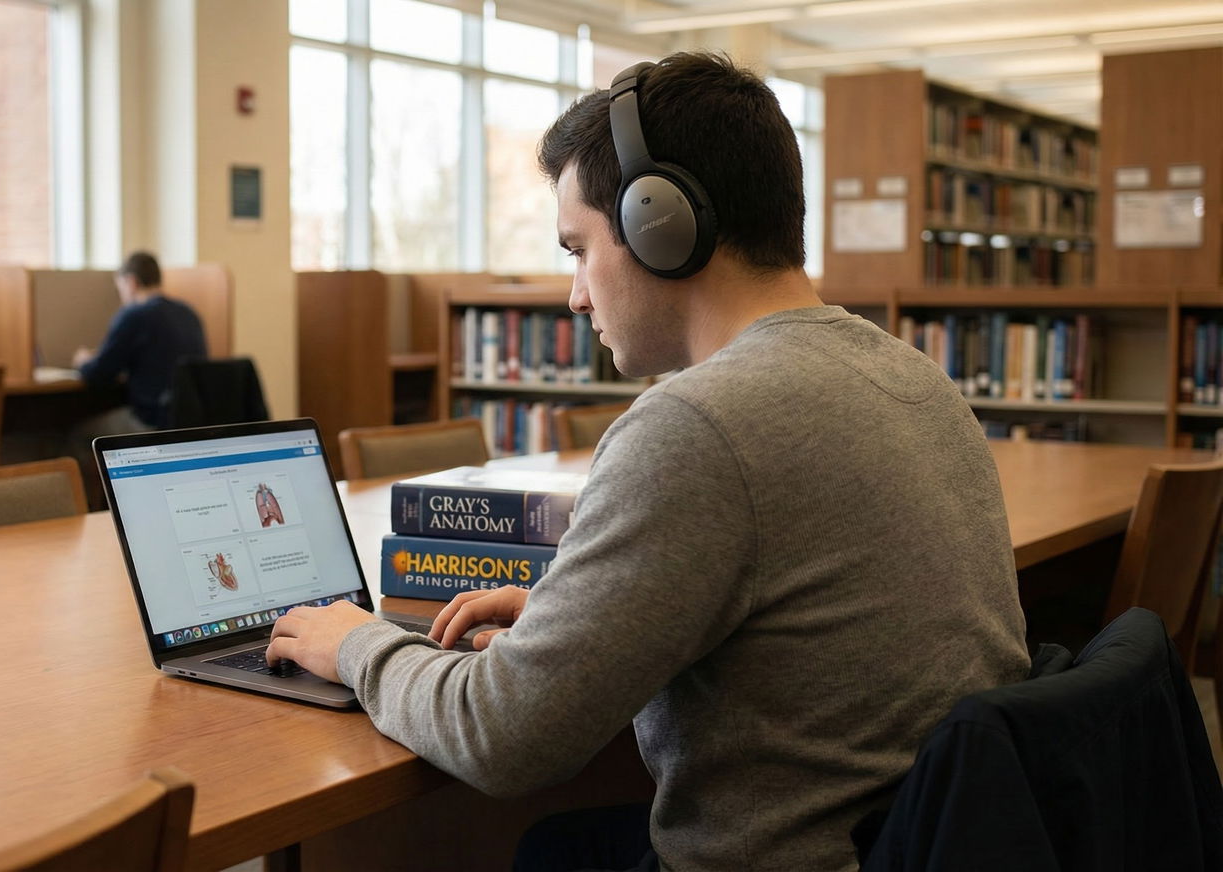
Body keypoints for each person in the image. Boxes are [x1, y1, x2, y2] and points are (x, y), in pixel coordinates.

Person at [266, 51, 1030, 871]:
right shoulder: (916, 377)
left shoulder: (697, 424)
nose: (576, 295)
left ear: (658, 225)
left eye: (577, 249)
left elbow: (501, 737)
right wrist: (576, 616)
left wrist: (354, 644)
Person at [66, 252, 207, 499]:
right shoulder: (188, 313)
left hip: (151, 421)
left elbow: (99, 375)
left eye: (120, 288)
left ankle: (91, 511)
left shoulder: (135, 314)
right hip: (189, 420)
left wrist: (83, 361)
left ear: (131, 282)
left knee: (78, 437)